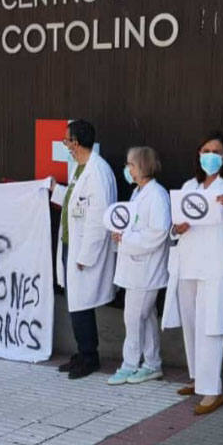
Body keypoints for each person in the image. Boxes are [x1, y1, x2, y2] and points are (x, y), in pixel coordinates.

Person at [171, 132, 223, 415]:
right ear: (198, 153)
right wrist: (177, 229)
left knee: (211, 328)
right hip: (189, 264)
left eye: (216, 151)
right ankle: (197, 379)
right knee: (191, 324)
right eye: (205, 149)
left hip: (217, 268)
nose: (210, 155)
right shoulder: (188, 186)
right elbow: (174, 227)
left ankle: (212, 390)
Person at [55, 119, 117, 380]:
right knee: (76, 304)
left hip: (83, 250)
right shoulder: (80, 169)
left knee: (82, 305)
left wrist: (86, 255)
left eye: (67, 139)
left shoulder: (98, 171)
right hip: (72, 244)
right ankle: (83, 353)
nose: (64, 144)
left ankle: (90, 357)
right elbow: (74, 204)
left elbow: (97, 218)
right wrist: (52, 191)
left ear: (76, 142)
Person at [107, 146, 171, 386]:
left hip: (147, 269)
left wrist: (127, 239)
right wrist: (122, 235)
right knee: (147, 317)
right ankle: (152, 363)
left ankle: (130, 364)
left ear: (143, 166)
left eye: (131, 164)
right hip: (137, 267)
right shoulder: (139, 192)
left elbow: (158, 233)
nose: (128, 169)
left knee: (134, 317)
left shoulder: (156, 195)